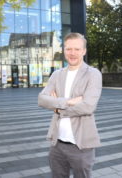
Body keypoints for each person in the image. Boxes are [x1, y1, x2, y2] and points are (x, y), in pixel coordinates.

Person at [38, 32, 102, 178]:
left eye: (77, 49)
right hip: (57, 145)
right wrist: (68, 101)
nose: (72, 53)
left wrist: (57, 108)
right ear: (64, 50)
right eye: (68, 49)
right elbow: (41, 99)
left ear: (84, 51)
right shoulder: (56, 74)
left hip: (81, 145)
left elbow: (88, 106)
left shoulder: (93, 74)